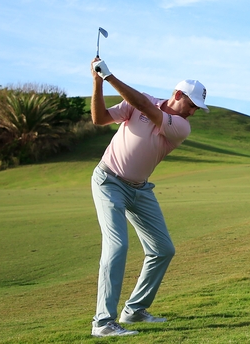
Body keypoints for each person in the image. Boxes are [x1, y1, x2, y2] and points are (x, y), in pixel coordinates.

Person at [89, 58, 208, 337]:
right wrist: (97, 82)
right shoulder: (137, 102)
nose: (193, 112)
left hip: (140, 189)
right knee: (117, 248)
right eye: (191, 105)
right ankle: (103, 323)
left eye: (197, 109)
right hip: (109, 181)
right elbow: (99, 118)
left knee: (163, 249)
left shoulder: (180, 126)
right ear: (177, 95)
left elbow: (145, 106)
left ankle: (134, 310)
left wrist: (109, 76)